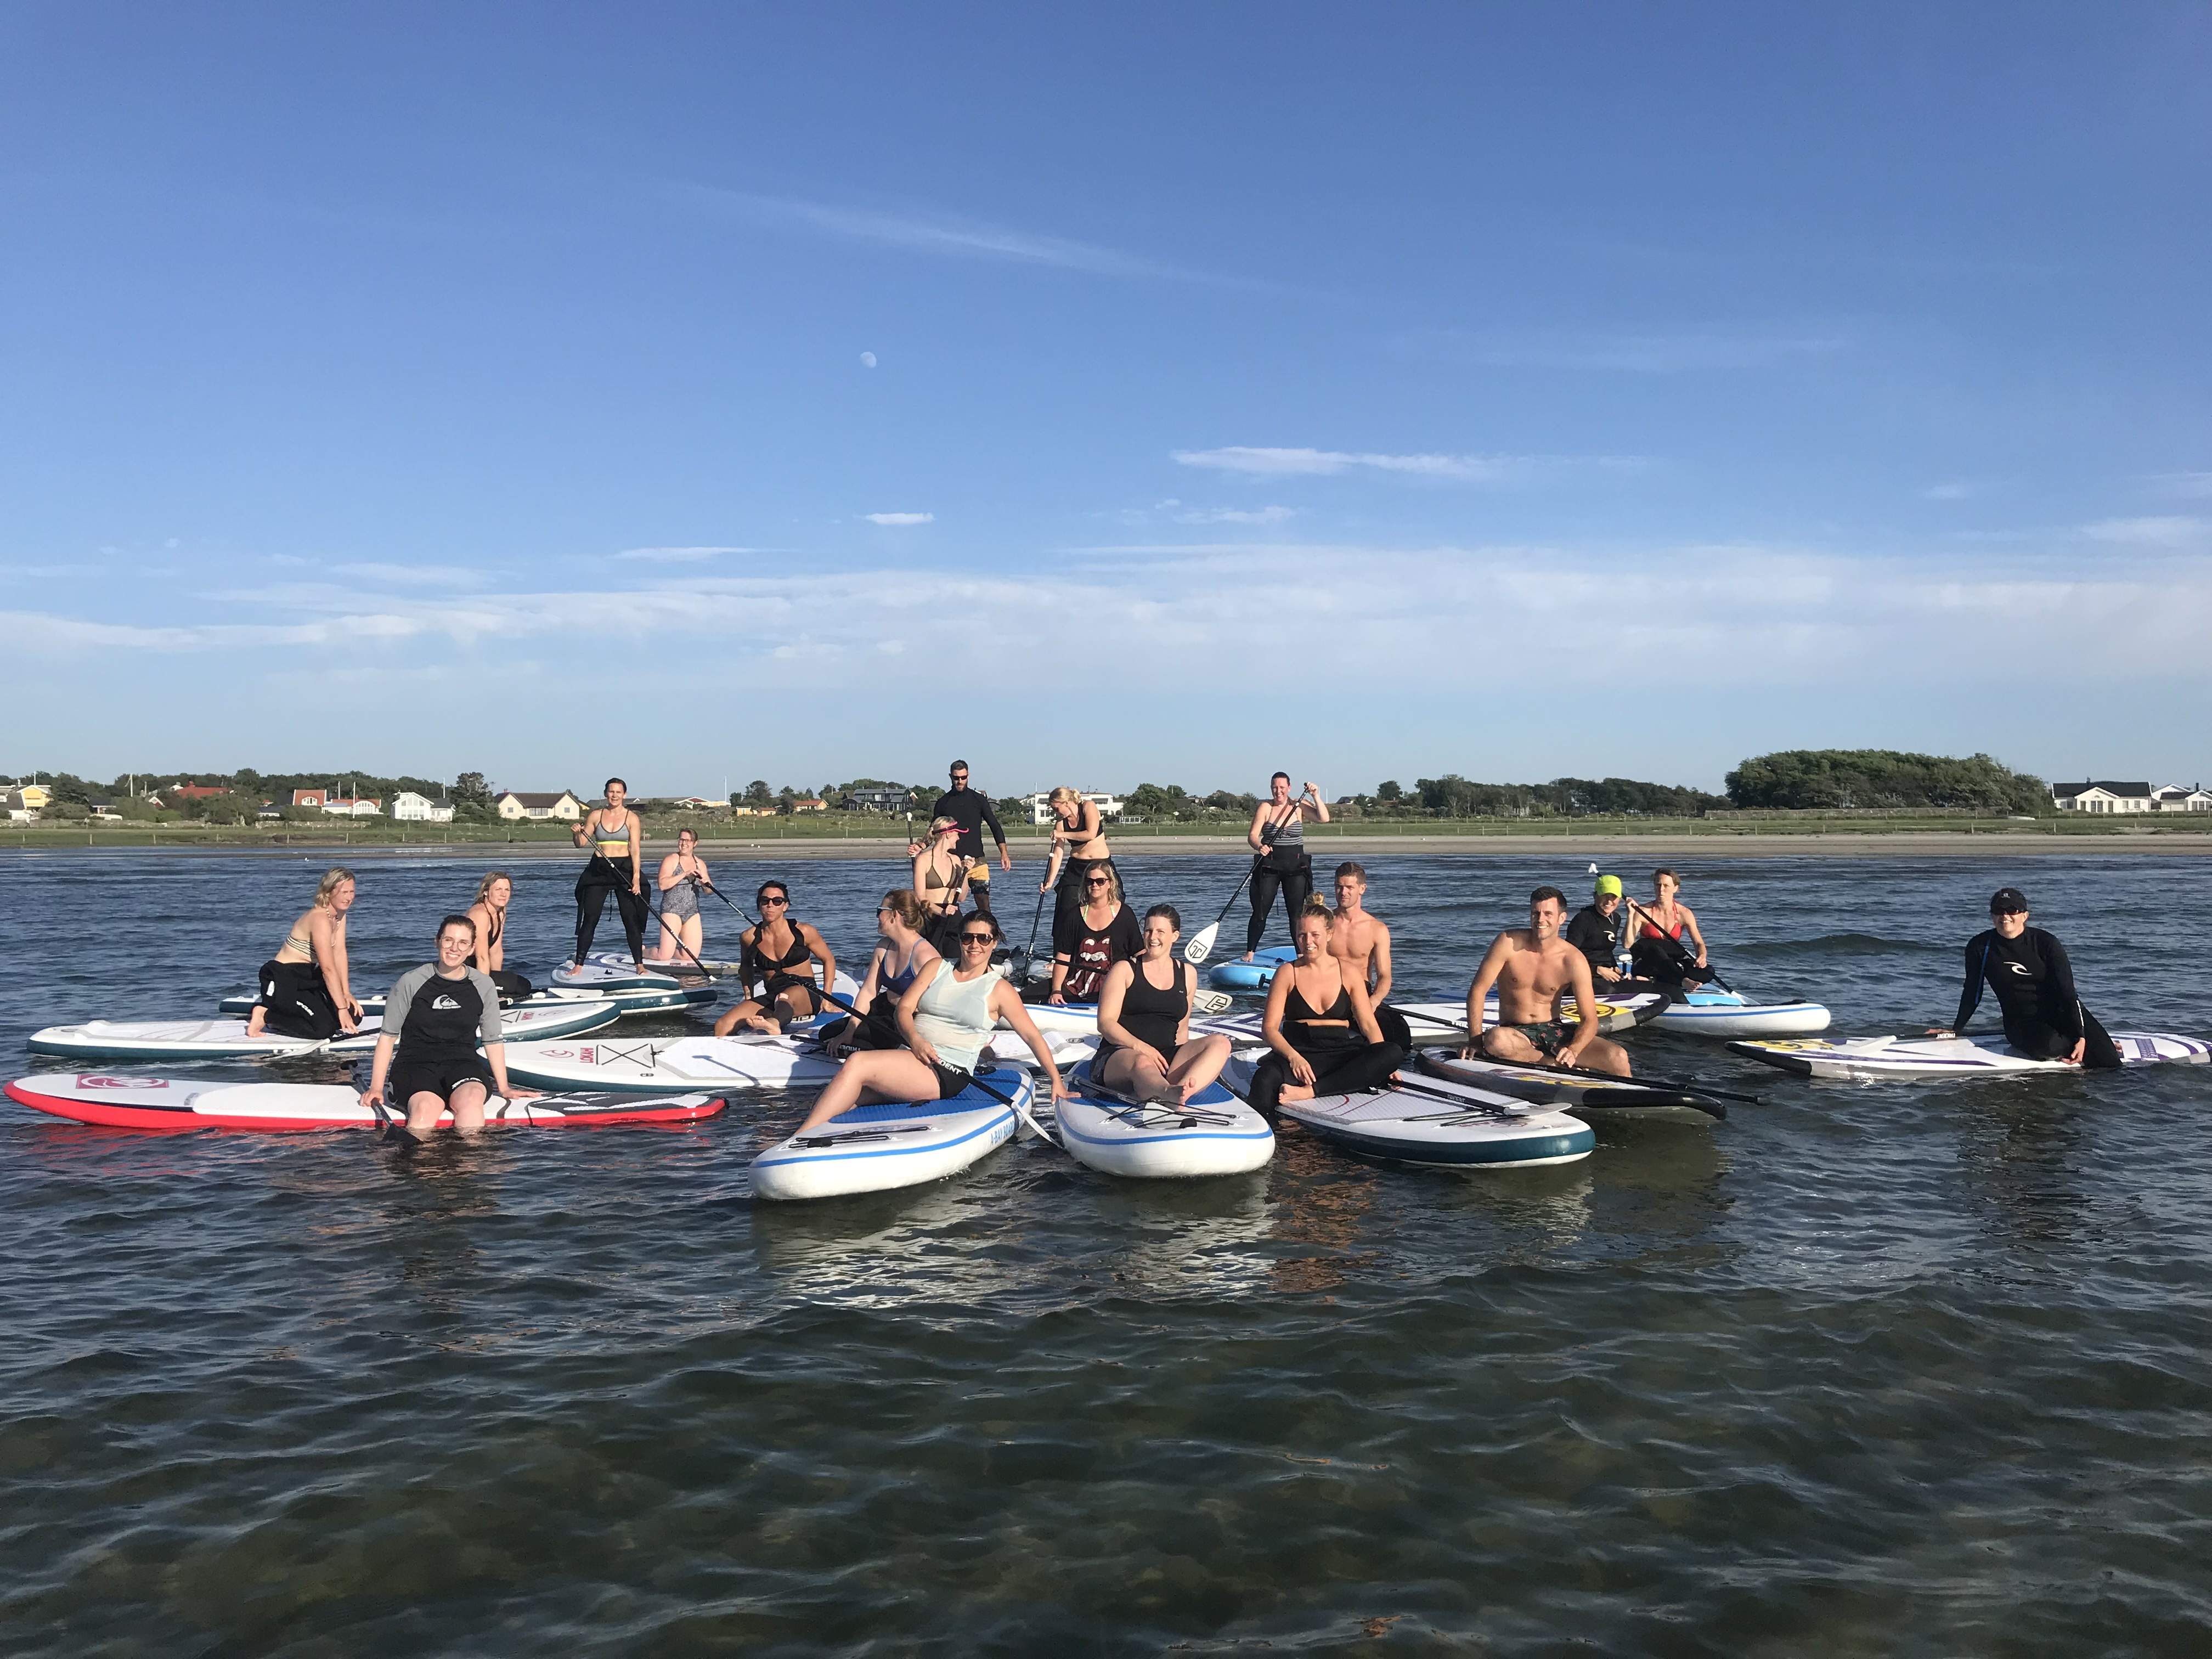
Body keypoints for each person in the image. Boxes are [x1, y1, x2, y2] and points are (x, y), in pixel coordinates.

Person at [792, 910, 1065, 1136]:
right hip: (910, 1056)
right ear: (960, 940)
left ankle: (799, 1138)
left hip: (947, 1070)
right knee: (834, 1098)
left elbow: (1032, 1036)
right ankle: (822, 1139)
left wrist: (1056, 1081)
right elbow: (904, 1009)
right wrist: (916, 1040)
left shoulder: (999, 989)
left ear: (994, 943)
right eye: (968, 937)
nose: (975, 945)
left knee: (857, 1063)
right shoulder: (936, 968)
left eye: (983, 939)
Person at [359, 913, 538, 1140]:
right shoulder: (411, 981)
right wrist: (376, 1088)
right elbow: (387, 1037)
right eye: (448, 940)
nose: (455, 948)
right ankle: (420, 1160)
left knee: (471, 1102)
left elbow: (492, 1040)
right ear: (437, 942)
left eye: (463, 943)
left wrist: (504, 1088)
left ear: (472, 949)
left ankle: (470, 1159)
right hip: (415, 1065)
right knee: (426, 1109)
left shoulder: (483, 985)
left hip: (462, 1064)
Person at [1927, 886, 2121, 1068]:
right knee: (2050, 1047)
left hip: (2062, 1013)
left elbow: (2068, 992)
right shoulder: (1980, 947)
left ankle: (2092, 1043)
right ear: (1992, 916)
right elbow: (1973, 992)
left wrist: (2082, 1035)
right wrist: (1957, 1029)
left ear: (2025, 916)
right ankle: (2077, 1043)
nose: (2005, 916)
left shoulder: (2046, 943)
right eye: (1999, 911)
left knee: (2111, 1062)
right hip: (2021, 1022)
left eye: (2012, 910)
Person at [1244, 902, 1406, 1114]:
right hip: (1300, 1052)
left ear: (1329, 934)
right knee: (1264, 1079)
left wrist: (1387, 1065)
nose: (1308, 942)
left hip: (1340, 1053)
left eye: (1315, 935)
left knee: (1392, 1052)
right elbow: (1270, 1029)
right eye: (1302, 935)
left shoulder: (1349, 973)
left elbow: (1368, 1024)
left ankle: (1311, 1091)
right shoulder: (1287, 973)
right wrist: (1294, 1058)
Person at [1463, 887, 1632, 1075]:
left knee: (1618, 1057)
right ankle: (1550, 1064)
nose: (1540, 919)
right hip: (1514, 1033)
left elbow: (1590, 1019)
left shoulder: (1573, 959)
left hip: (1554, 1030)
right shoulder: (1508, 943)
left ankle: (1632, 1093)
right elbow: (1478, 991)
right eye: (1536, 913)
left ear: (1562, 918)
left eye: (1548, 914)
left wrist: (1573, 1050)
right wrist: (1475, 1042)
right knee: (1496, 1040)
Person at [1095, 904, 1233, 1105]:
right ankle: (1167, 1093)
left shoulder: (1188, 974)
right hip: (1120, 1056)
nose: (1153, 937)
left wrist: (1184, 1064)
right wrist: (1141, 1048)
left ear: (1175, 936)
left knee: (1221, 1043)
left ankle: (1180, 1092)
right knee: (1142, 1062)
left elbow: (1182, 1029)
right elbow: (1105, 1023)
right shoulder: (1124, 969)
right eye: (1148, 931)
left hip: (1165, 1057)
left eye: (1160, 932)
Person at [245, 867, 362, 1039]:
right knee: (323, 1030)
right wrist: (341, 1008)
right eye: (344, 892)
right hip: (285, 978)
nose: (349, 898)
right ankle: (266, 1014)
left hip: (308, 977)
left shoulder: (339, 915)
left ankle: (307, 1011)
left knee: (354, 1015)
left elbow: (339, 953)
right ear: (329, 892)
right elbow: (328, 968)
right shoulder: (319, 918)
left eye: (352, 892)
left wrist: (346, 993)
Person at [822, 889, 941, 1058]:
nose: (877, 917)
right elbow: (869, 991)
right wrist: (850, 1029)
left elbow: (936, 1006)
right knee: (829, 1032)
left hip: (907, 1021)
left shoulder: (925, 956)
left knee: (857, 1042)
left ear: (895, 915)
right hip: (883, 1011)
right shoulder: (883, 947)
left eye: (880, 911)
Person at [713, 881, 838, 1035]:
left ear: (785, 906)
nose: (770, 905)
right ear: (759, 906)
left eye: (777, 901)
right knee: (723, 1024)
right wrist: (749, 996)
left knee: (784, 997)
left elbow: (828, 960)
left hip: (804, 994)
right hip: (773, 997)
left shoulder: (804, 931)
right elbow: (746, 967)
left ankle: (774, 1024)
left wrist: (827, 999)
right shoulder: (749, 938)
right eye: (765, 901)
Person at [1243, 773, 1329, 961]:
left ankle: (1301, 954)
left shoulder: (1299, 805)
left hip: (1296, 867)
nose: (1278, 791)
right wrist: (1259, 846)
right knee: (1260, 911)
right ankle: (1250, 953)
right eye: (1275, 787)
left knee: (1296, 914)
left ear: (1289, 788)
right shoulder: (1266, 807)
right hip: (1269, 866)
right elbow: (1253, 836)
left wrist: (1315, 795)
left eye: (1282, 787)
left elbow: (1324, 818)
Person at [569, 778, 651, 969]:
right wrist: (576, 833)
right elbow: (581, 843)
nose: (614, 795)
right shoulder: (596, 816)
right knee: (590, 918)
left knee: (630, 919)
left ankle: (639, 965)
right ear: (606, 793)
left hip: (624, 868)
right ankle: (578, 965)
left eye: (618, 792)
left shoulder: (632, 818)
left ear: (624, 795)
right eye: (611, 791)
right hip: (599, 869)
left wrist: (636, 878)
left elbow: (635, 849)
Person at [1328, 861, 1409, 1049]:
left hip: (1363, 994)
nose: (1343, 892)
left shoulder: (1377, 929)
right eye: (1339, 887)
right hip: (1331, 992)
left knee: (1399, 1029)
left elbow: (1385, 976)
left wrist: (1374, 1002)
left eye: (1350, 887)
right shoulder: (1325, 924)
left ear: (1362, 889)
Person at [927, 759, 1012, 917]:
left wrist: (1004, 853)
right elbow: (934, 830)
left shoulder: (979, 800)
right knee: (949, 904)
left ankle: (990, 932)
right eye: (956, 778)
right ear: (950, 777)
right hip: (952, 862)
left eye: (963, 777)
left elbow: (994, 825)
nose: (960, 781)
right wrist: (921, 845)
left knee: (984, 907)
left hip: (978, 862)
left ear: (968, 776)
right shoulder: (943, 803)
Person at [1048, 862, 1142, 1005]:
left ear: (1110, 884)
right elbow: (1063, 956)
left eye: (1100, 881)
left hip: (1114, 988)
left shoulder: (1125, 914)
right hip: (1075, 986)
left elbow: (1139, 953)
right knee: (1025, 997)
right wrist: (1056, 990)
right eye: (1090, 881)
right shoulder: (1074, 915)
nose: (1095, 885)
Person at [1040, 786, 1115, 956]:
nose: (1056, 812)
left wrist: (1062, 835)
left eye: (1056, 808)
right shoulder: (1061, 824)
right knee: (1065, 909)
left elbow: (1090, 834)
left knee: (1112, 904)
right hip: (1076, 867)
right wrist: (1050, 881)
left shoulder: (1088, 806)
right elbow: (1058, 854)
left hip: (1100, 865)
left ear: (1066, 803)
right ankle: (1060, 955)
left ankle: (1109, 950)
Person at [1628, 868, 1713, 988]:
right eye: (1658, 885)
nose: (1661, 890)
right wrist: (1630, 915)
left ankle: (1657, 980)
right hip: (1646, 963)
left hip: (1670, 962)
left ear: (1675, 888)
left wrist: (1702, 956)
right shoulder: (1643, 911)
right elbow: (1628, 943)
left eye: (1666, 886)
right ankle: (1682, 981)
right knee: (1656, 950)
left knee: (1709, 971)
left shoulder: (1684, 913)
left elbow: (1699, 943)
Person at [912, 815, 977, 957]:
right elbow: (920, 897)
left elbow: (962, 898)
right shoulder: (923, 860)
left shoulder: (955, 860)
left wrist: (966, 872)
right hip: (930, 917)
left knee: (956, 957)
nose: (958, 838)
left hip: (953, 916)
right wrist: (941, 912)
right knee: (931, 959)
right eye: (957, 833)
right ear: (948, 834)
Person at [648, 827, 714, 968]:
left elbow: (709, 891)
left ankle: (672, 951)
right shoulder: (671, 860)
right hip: (671, 910)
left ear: (695, 844)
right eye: (682, 840)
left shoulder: (700, 863)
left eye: (688, 841)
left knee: (690, 957)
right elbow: (662, 885)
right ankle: (643, 951)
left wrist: (705, 883)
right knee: (664, 956)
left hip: (692, 911)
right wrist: (684, 874)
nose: (684, 843)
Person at [466, 870, 532, 1001]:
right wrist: (486, 994)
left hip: (478, 968)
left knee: (522, 985)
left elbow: (495, 951)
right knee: (521, 986)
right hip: (466, 971)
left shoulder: (500, 911)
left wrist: (497, 979)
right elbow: (482, 957)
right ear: (486, 892)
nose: (504, 894)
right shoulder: (480, 914)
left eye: (507, 890)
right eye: (498, 889)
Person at [1565, 874, 1629, 986]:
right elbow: (1568, 955)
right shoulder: (1583, 919)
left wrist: (1615, 967)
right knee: (1609, 990)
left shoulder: (1616, 918)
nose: (1609, 901)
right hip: (1585, 974)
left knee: (1642, 986)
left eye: (1613, 897)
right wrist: (1597, 970)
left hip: (1607, 973)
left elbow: (1606, 951)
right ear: (1595, 896)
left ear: (1619, 899)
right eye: (1604, 896)